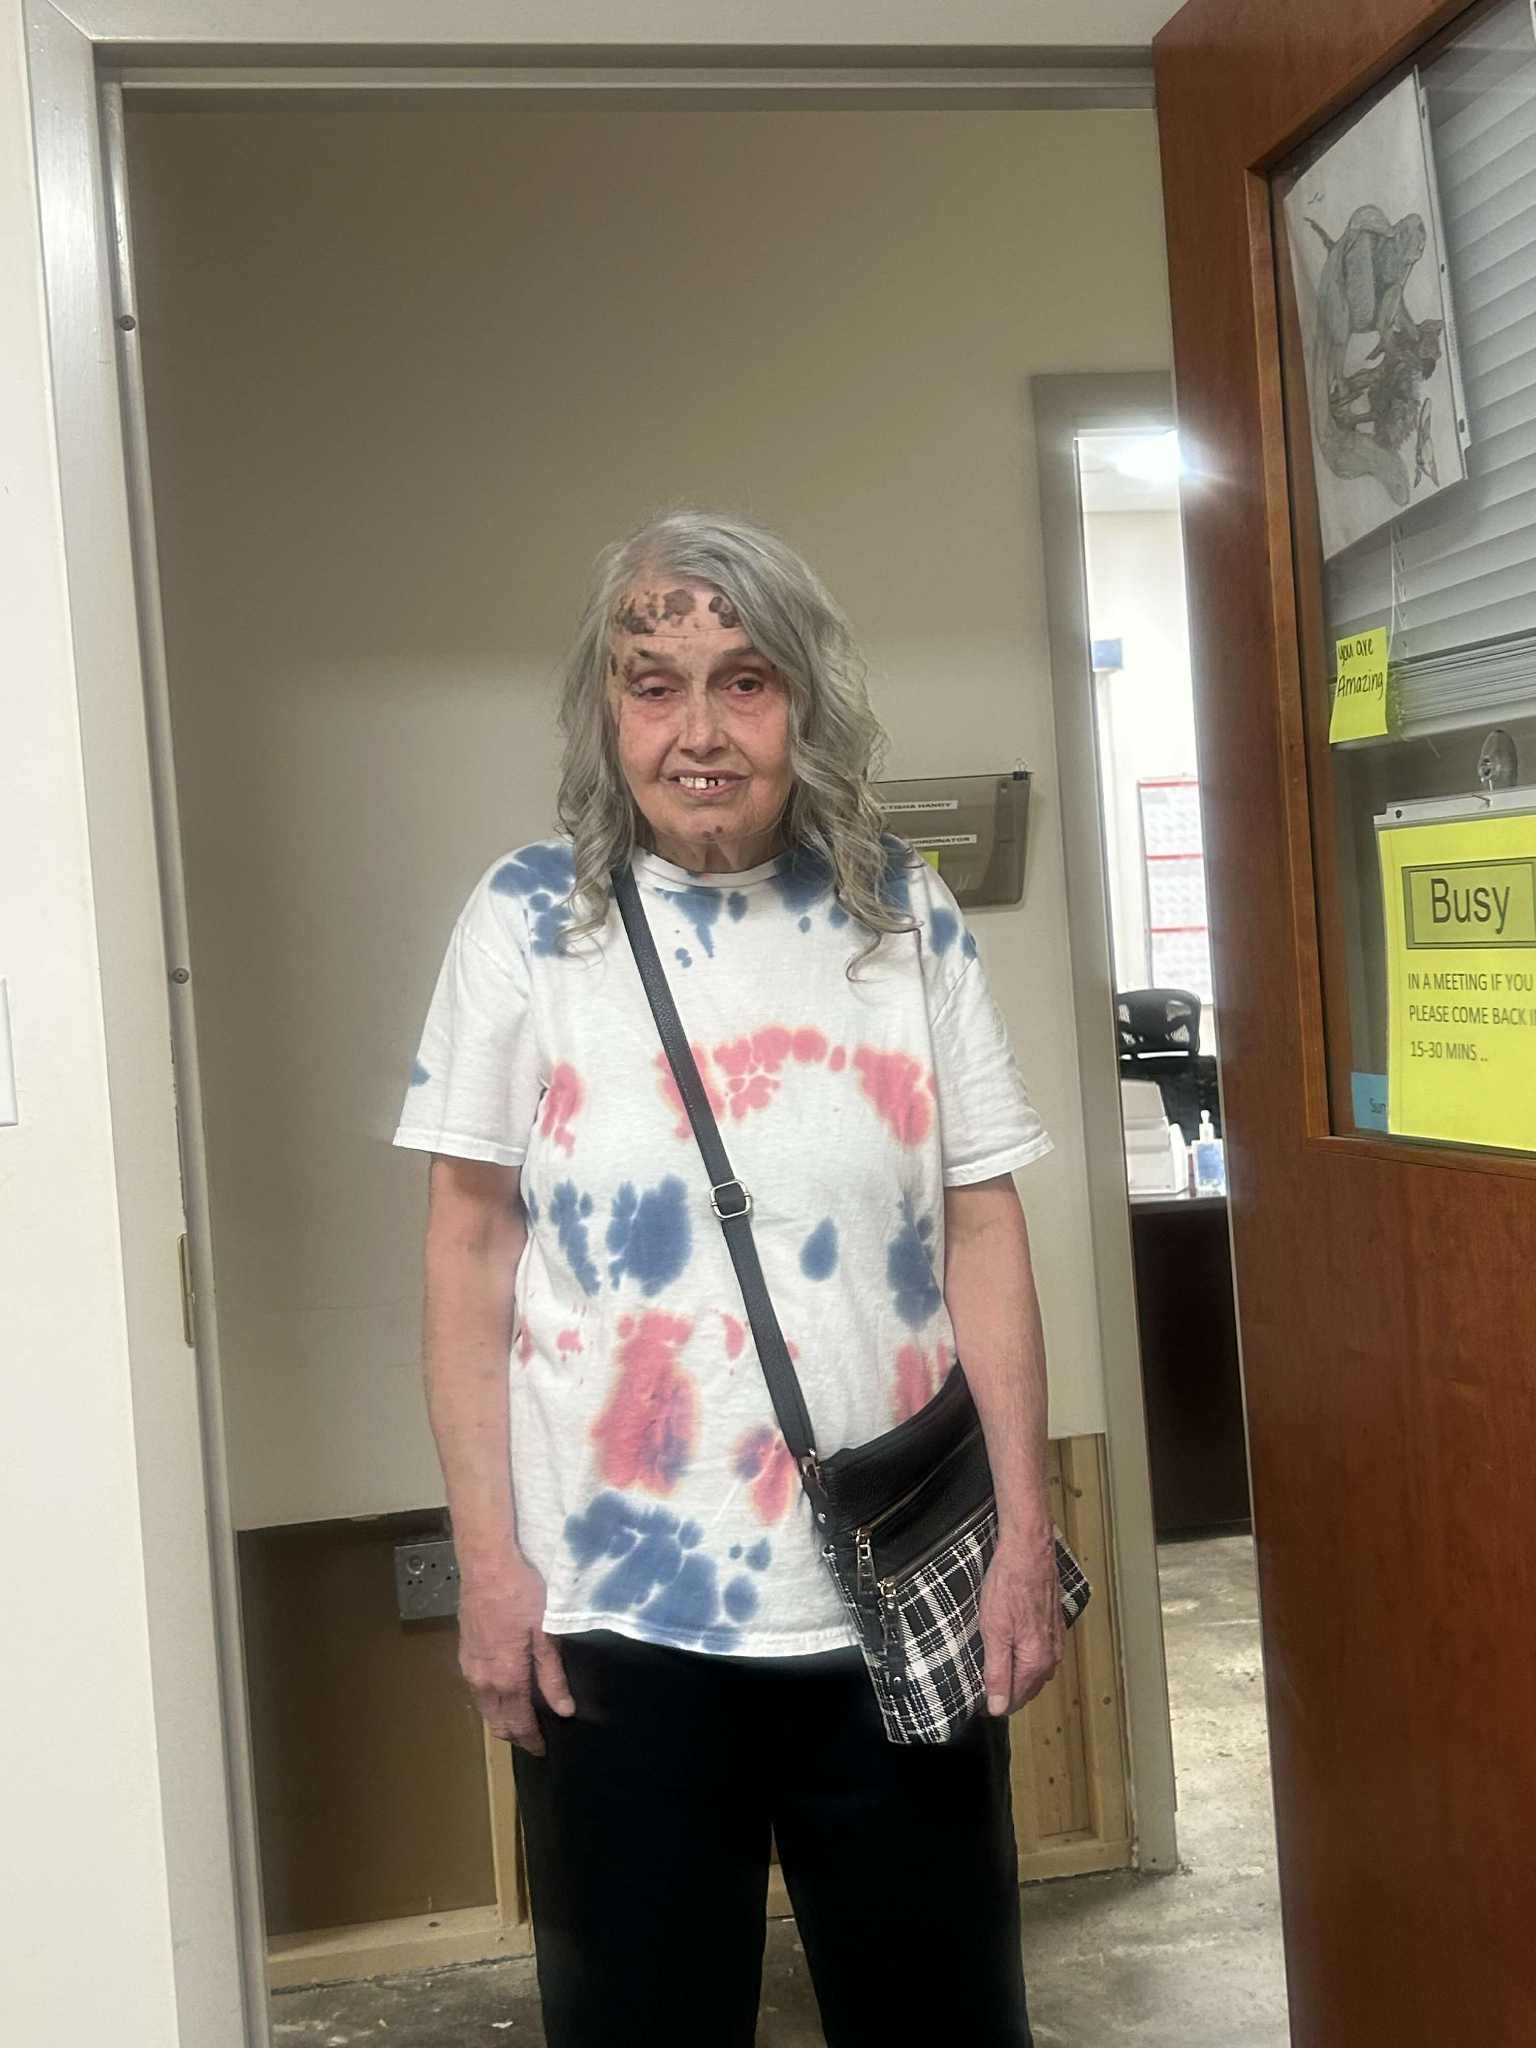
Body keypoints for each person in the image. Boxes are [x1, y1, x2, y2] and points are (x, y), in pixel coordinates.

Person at [393, 510, 1062, 2047]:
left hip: (892, 1589)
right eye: (655, 684)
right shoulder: (529, 923)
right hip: (613, 1622)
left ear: (804, 702)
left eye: (744, 681)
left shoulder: (902, 914)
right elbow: (466, 1247)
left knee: (944, 2022)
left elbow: (984, 1227)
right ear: (608, 711)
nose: (698, 732)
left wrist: (1026, 1537)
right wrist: (488, 1564)